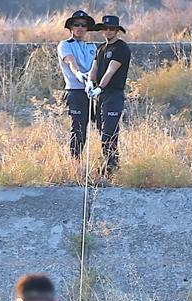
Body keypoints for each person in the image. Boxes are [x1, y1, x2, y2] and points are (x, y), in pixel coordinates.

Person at [87, 15, 131, 178]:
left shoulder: (121, 48)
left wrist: (99, 88)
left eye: (111, 29)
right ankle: (109, 163)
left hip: (113, 94)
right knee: (100, 129)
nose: (108, 31)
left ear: (117, 30)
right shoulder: (100, 48)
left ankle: (111, 166)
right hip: (101, 96)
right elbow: (95, 68)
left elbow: (110, 71)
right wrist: (90, 83)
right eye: (105, 28)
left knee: (109, 131)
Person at [58, 10, 97, 159]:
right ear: (71, 27)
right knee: (78, 128)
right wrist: (80, 75)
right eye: (77, 25)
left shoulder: (92, 46)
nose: (80, 28)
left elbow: (96, 65)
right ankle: (75, 161)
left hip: (93, 91)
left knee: (101, 126)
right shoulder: (65, 45)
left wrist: (93, 82)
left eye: (84, 25)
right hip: (76, 91)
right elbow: (71, 62)